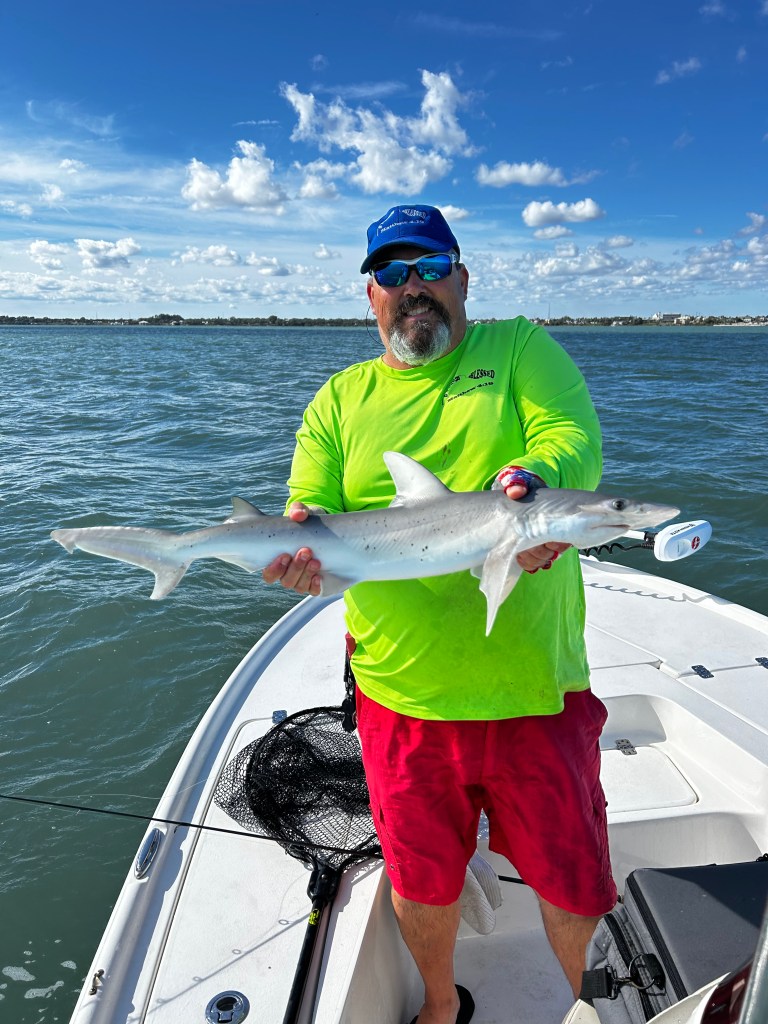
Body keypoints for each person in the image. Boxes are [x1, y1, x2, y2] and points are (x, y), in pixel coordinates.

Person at [263, 205, 617, 1024]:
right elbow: (307, 503)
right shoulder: (341, 400)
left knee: (572, 879)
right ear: (371, 295)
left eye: (428, 267)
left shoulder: (519, 348)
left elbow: (572, 439)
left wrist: (534, 480)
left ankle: (590, 1008)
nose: (412, 286)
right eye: (392, 273)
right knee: (422, 881)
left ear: (462, 277)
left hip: (536, 690)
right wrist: (297, 547)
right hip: (403, 699)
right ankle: (437, 1006)